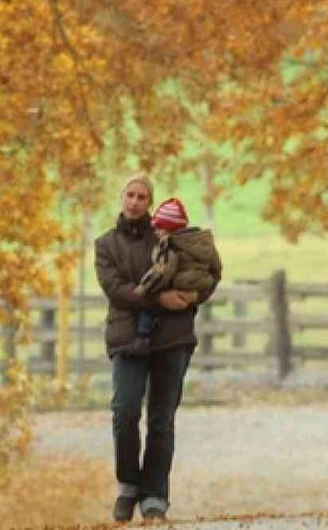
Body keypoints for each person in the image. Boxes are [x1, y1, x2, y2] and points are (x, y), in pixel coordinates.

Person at [96, 175, 222, 522]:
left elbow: (205, 275)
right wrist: (158, 297)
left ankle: (155, 496)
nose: (134, 201)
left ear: (149, 202)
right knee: (124, 412)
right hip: (127, 339)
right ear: (121, 197)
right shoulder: (106, 245)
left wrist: (192, 296)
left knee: (161, 420)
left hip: (171, 338)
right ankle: (128, 486)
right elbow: (116, 290)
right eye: (130, 194)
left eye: (142, 196)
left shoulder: (169, 236)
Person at [128, 197, 221, 356]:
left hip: (180, 283)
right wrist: (198, 292)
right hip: (197, 282)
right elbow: (215, 271)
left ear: (168, 229)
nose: (156, 232)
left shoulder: (170, 246)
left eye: (159, 228)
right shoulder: (198, 241)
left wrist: (145, 289)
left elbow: (163, 272)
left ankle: (142, 338)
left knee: (147, 311)